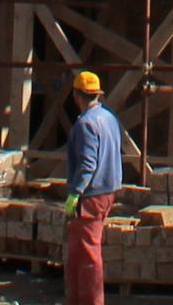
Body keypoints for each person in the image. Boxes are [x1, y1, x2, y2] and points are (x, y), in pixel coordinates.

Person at [62, 68, 128, 305]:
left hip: (91, 194)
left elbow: (88, 163)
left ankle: (91, 301)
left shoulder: (85, 124)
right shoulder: (109, 118)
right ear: (97, 94)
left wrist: (75, 193)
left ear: (76, 95)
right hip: (108, 189)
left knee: (88, 253)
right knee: (78, 252)